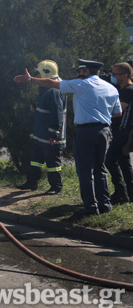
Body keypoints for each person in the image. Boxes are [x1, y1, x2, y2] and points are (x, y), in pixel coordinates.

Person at [15, 59, 121, 216]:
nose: (78, 74)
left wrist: (30, 79)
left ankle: (90, 208)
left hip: (86, 131)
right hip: (104, 130)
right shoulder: (111, 88)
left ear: (85, 72)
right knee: (100, 169)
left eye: (80, 71)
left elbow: (53, 83)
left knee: (85, 171)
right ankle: (105, 204)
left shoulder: (81, 84)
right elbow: (117, 113)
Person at [16, 60, 67, 194]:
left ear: (46, 73)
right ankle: (31, 182)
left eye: (37, 74)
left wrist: (53, 134)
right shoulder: (46, 89)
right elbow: (47, 107)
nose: (36, 77)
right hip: (41, 133)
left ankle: (56, 186)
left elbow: (57, 114)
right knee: (35, 160)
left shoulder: (54, 90)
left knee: (52, 163)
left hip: (49, 136)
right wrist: (36, 108)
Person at [105, 62, 133, 204]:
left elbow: (118, 111)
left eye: (115, 74)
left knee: (109, 160)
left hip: (124, 131)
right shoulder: (122, 89)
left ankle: (121, 191)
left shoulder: (128, 90)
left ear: (125, 75)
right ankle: (130, 193)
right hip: (121, 131)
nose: (113, 77)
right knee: (124, 163)